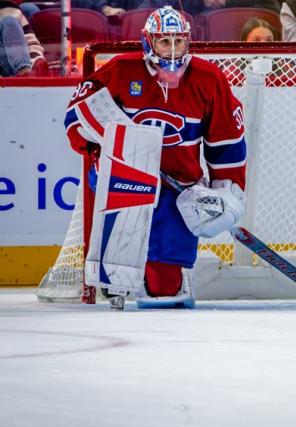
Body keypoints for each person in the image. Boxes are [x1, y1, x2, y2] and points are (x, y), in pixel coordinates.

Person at [64, 6, 247, 309]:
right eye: (165, 41)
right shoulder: (121, 70)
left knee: (165, 288)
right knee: (116, 272)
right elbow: (76, 117)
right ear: (149, 41)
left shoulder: (208, 78)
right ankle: (119, 273)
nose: (173, 50)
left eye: (179, 41)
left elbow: (226, 141)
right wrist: (107, 151)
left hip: (180, 186)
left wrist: (226, 189)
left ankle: (158, 276)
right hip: (125, 178)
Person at [0, 0, 46, 76]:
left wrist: (35, 58)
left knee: (9, 22)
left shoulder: (9, 8)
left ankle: (25, 73)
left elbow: (31, 41)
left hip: (15, 68)